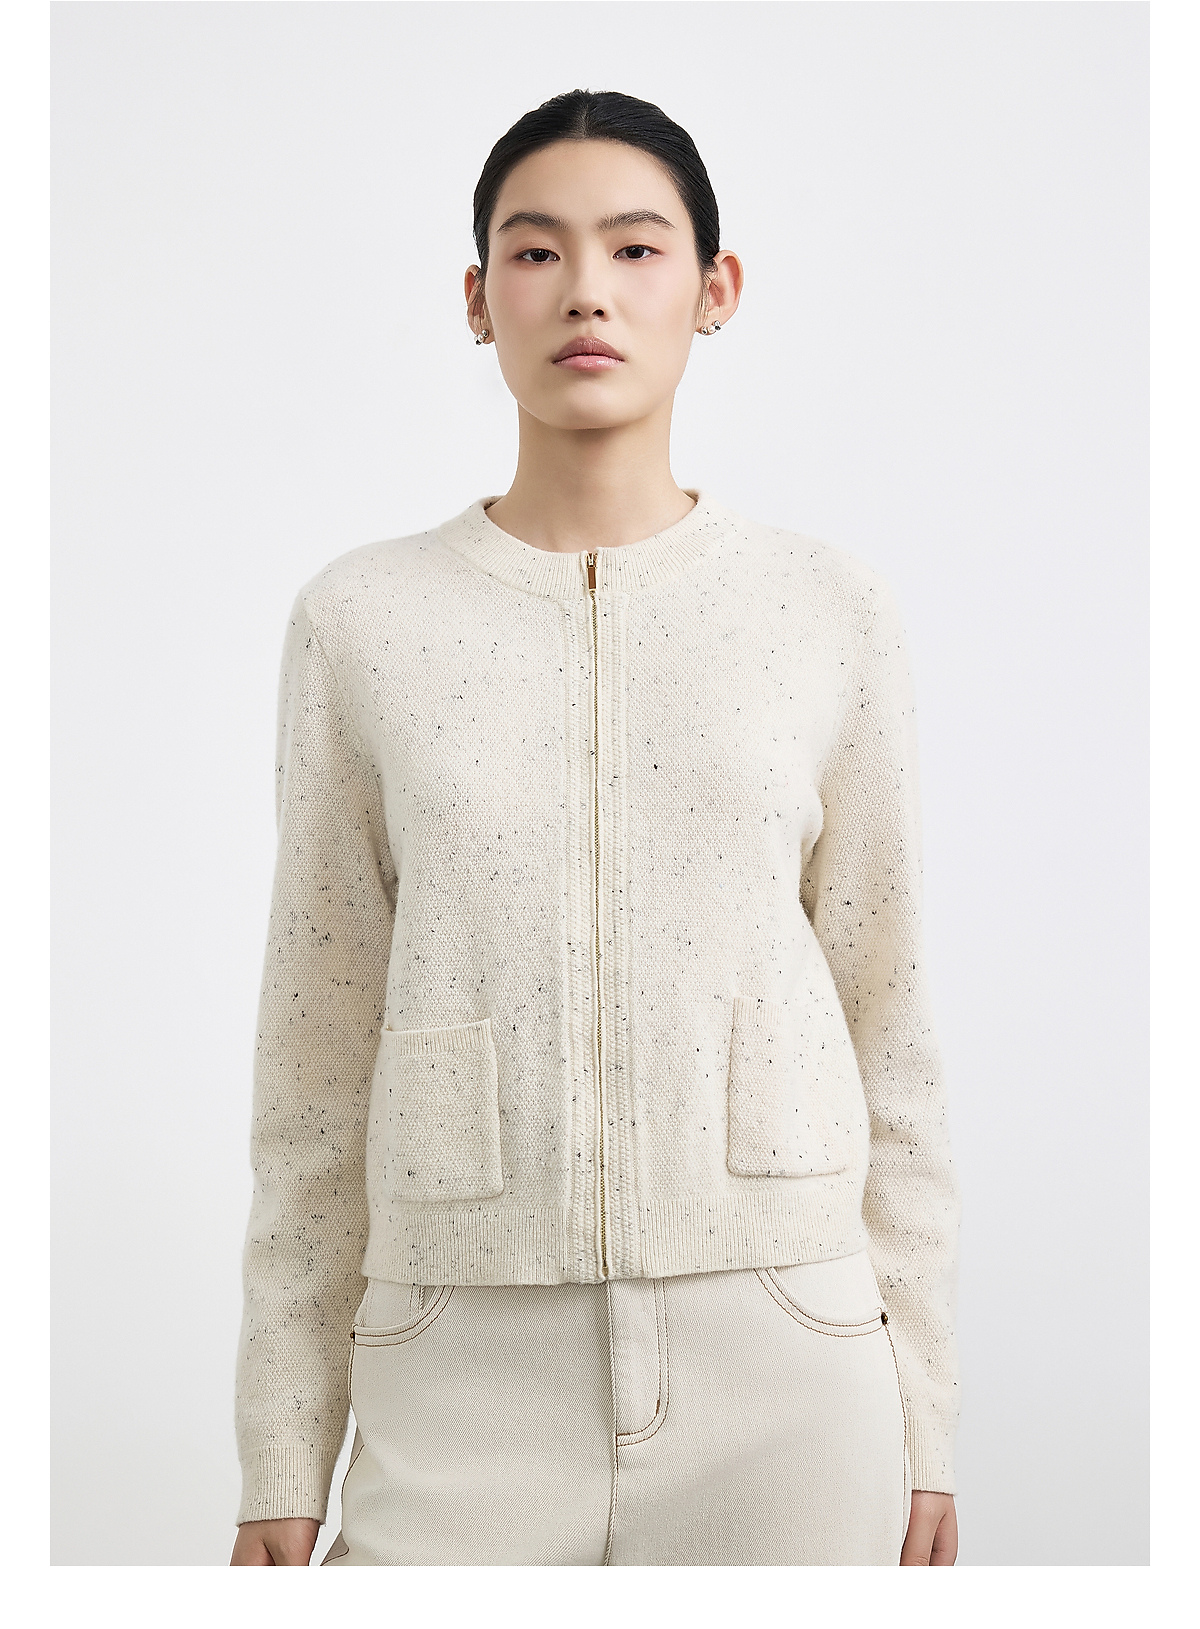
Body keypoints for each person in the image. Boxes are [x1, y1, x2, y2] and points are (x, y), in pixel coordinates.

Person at [229, 88, 961, 1568]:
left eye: (635, 249)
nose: (586, 292)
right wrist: (280, 1449)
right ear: (478, 299)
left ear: (714, 288)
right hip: (455, 1352)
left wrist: (926, 1414)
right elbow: (316, 1060)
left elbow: (890, 1029)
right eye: (536, 251)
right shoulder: (362, 620)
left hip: (788, 1354)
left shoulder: (827, 610)